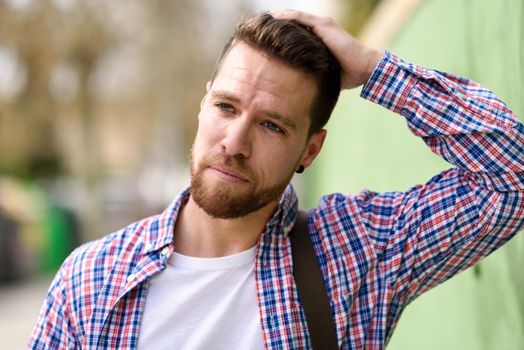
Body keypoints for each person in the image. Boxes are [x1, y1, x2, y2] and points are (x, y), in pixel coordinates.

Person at [29, 10, 523, 350]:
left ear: (310, 149)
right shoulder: (91, 280)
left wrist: (375, 69)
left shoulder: (355, 252)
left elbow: (512, 176)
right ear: (204, 105)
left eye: (271, 125)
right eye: (226, 107)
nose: (234, 142)